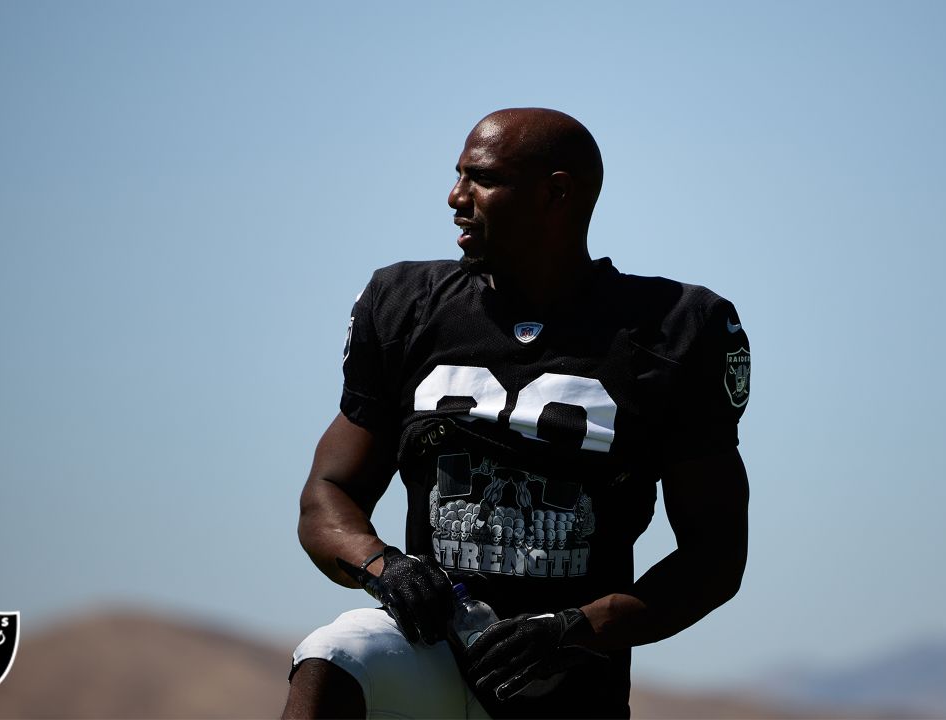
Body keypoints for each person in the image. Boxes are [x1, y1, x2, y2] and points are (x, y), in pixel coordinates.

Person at [282, 108, 751, 719]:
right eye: (458, 176)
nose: (455, 197)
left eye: (481, 179)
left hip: (564, 674)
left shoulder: (678, 328)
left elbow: (714, 554)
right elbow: (328, 490)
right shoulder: (404, 306)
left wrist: (574, 627)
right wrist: (383, 566)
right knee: (332, 657)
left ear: (557, 192)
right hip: (432, 646)